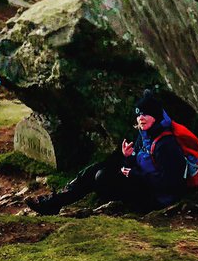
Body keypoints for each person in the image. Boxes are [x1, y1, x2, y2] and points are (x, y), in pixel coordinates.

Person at [26, 89, 188, 215]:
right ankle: (55, 202)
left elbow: (169, 182)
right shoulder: (144, 135)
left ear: (156, 116)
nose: (141, 118)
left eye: (146, 114)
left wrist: (133, 174)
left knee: (102, 176)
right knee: (95, 169)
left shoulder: (166, 143)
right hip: (141, 184)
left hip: (156, 197)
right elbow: (136, 164)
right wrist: (128, 157)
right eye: (139, 114)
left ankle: (55, 202)